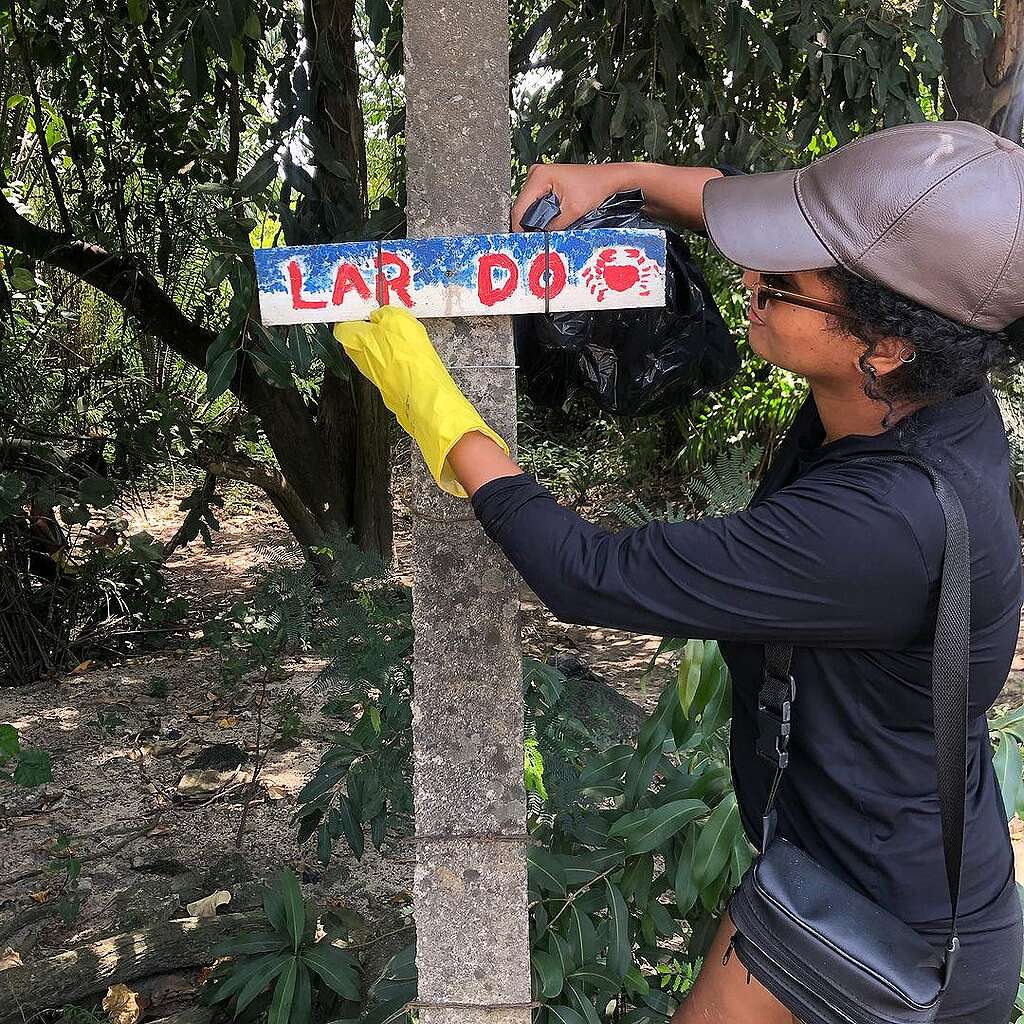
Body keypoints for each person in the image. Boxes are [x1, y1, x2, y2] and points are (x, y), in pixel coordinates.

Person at [334, 120, 1024, 1024]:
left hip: (891, 937)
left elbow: (589, 572)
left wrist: (434, 410)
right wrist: (611, 177)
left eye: (779, 281)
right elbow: (726, 195)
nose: (748, 279)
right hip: (851, 863)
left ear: (886, 342)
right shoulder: (925, 395)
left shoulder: (880, 528)